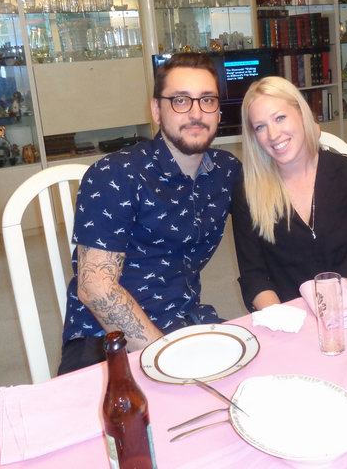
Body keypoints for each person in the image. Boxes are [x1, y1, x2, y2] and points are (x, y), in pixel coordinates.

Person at [58, 52, 241, 374]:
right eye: (180, 100)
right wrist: (166, 355)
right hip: (103, 338)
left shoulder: (225, 172)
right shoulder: (116, 174)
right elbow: (96, 287)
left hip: (184, 322)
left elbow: (273, 226)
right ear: (157, 110)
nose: (196, 113)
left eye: (207, 100)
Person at [232, 76, 347, 310]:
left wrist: (332, 311)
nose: (273, 134)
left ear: (301, 113)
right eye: (260, 127)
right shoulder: (247, 190)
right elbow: (254, 276)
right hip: (287, 313)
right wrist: (283, 319)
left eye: (280, 118)